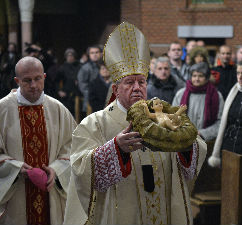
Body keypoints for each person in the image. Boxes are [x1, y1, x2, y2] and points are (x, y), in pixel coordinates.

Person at [63, 21, 207, 225]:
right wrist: (116, 149)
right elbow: (80, 170)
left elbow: (196, 150)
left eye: (141, 81)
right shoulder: (95, 124)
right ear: (115, 89)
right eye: (129, 82)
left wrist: (185, 143)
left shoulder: (162, 115)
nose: (137, 88)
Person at [0, 56, 77, 225]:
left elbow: (73, 149)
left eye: (37, 79)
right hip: (16, 198)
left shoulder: (58, 109)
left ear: (44, 77)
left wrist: (56, 170)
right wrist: (15, 168)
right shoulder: (2, 110)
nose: (33, 86)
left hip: (50, 195)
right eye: (27, 81)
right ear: (17, 80)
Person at [172, 62, 224, 141]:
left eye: (201, 76)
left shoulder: (216, 96)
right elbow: (173, 117)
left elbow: (220, 122)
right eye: (194, 76)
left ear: (207, 78)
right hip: (182, 139)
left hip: (207, 141)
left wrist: (203, 133)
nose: (197, 79)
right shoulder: (181, 94)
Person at [77, 45, 102, 118]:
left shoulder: (104, 66)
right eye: (92, 53)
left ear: (100, 54)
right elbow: (82, 85)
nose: (94, 55)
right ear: (89, 55)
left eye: (97, 52)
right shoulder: (85, 68)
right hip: (91, 96)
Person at [56, 48, 81, 116]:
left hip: (77, 94)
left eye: (71, 55)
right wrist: (59, 91)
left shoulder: (79, 66)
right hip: (66, 95)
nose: (70, 57)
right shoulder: (62, 68)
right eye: (68, 56)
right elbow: (57, 81)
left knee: (77, 114)